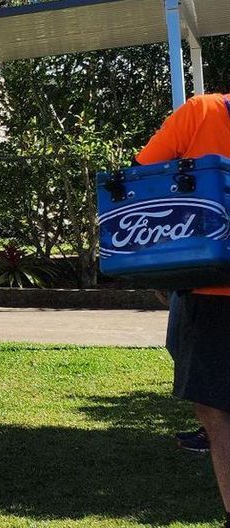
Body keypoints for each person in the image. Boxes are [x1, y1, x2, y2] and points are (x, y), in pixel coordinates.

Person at [136, 93, 230, 525]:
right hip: (206, 290)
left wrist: (163, 268)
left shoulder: (202, 112)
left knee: (215, 409)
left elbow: (142, 178)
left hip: (209, 290)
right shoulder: (201, 111)